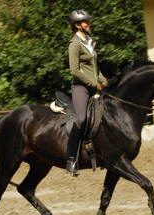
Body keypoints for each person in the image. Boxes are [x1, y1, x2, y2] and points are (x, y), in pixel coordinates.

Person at [66, 9, 108, 177]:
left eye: (89, 22)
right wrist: (93, 84)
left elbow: (94, 68)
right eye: (86, 22)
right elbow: (74, 70)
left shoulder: (91, 41)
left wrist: (104, 81)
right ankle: (71, 160)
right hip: (81, 87)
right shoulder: (74, 44)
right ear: (77, 25)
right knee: (82, 119)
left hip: (95, 85)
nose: (89, 24)